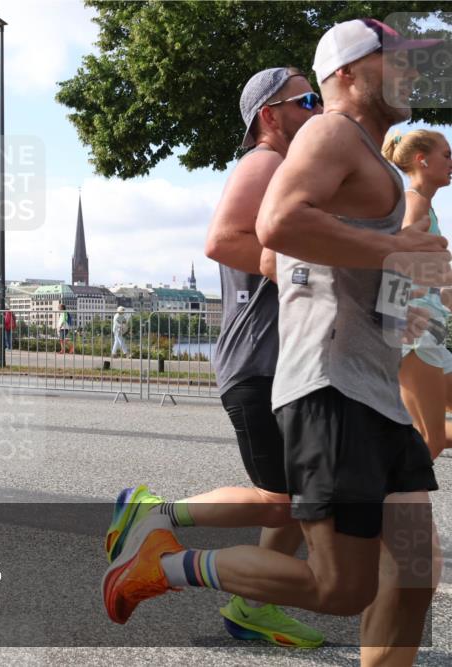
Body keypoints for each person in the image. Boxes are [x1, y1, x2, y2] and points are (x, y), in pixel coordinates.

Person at [104, 20, 445, 665]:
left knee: (416, 572)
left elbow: (343, 266)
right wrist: (397, 246)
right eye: (395, 58)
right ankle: (165, 565)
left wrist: (404, 307)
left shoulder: (373, 164)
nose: (412, 72)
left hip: (373, 390)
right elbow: (277, 224)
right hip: (330, 386)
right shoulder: (329, 131)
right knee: (344, 587)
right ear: (346, 72)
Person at [110, 67, 325, 648]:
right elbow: (223, 239)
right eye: (308, 100)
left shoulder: (289, 169)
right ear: (270, 116)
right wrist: (311, 269)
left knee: (296, 504)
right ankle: (158, 514)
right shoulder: (266, 162)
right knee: (284, 502)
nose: (320, 110)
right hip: (260, 362)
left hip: (276, 363)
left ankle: (255, 604)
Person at [383, 129, 452, 460]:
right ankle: (375, 506)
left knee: (431, 437)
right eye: (447, 155)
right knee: (430, 439)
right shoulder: (413, 204)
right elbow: (395, 265)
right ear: (422, 160)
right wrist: (394, 332)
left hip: (432, 330)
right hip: (417, 334)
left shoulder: (426, 206)